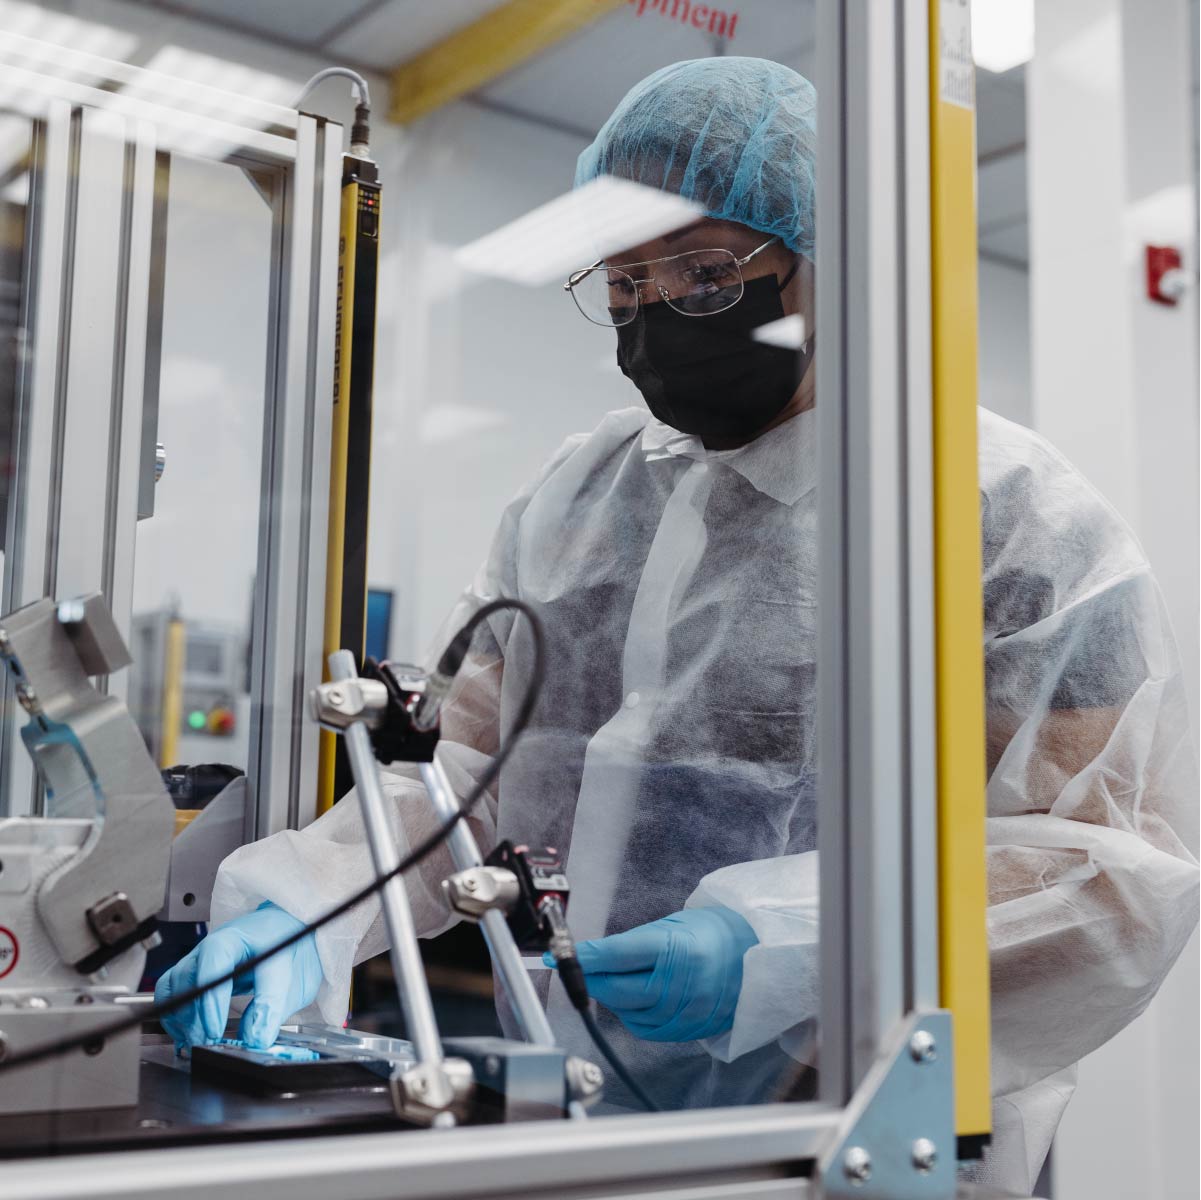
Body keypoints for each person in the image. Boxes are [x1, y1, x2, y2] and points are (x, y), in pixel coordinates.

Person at [156, 57, 1199, 1193]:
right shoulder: (579, 499)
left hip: (880, 1137)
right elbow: (461, 776)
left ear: (828, 262)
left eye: (702, 273)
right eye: (623, 280)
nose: (655, 315)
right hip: (577, 1113)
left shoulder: (1004, 518)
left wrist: (785, 945)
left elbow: (1109, 877)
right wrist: (308, 904)